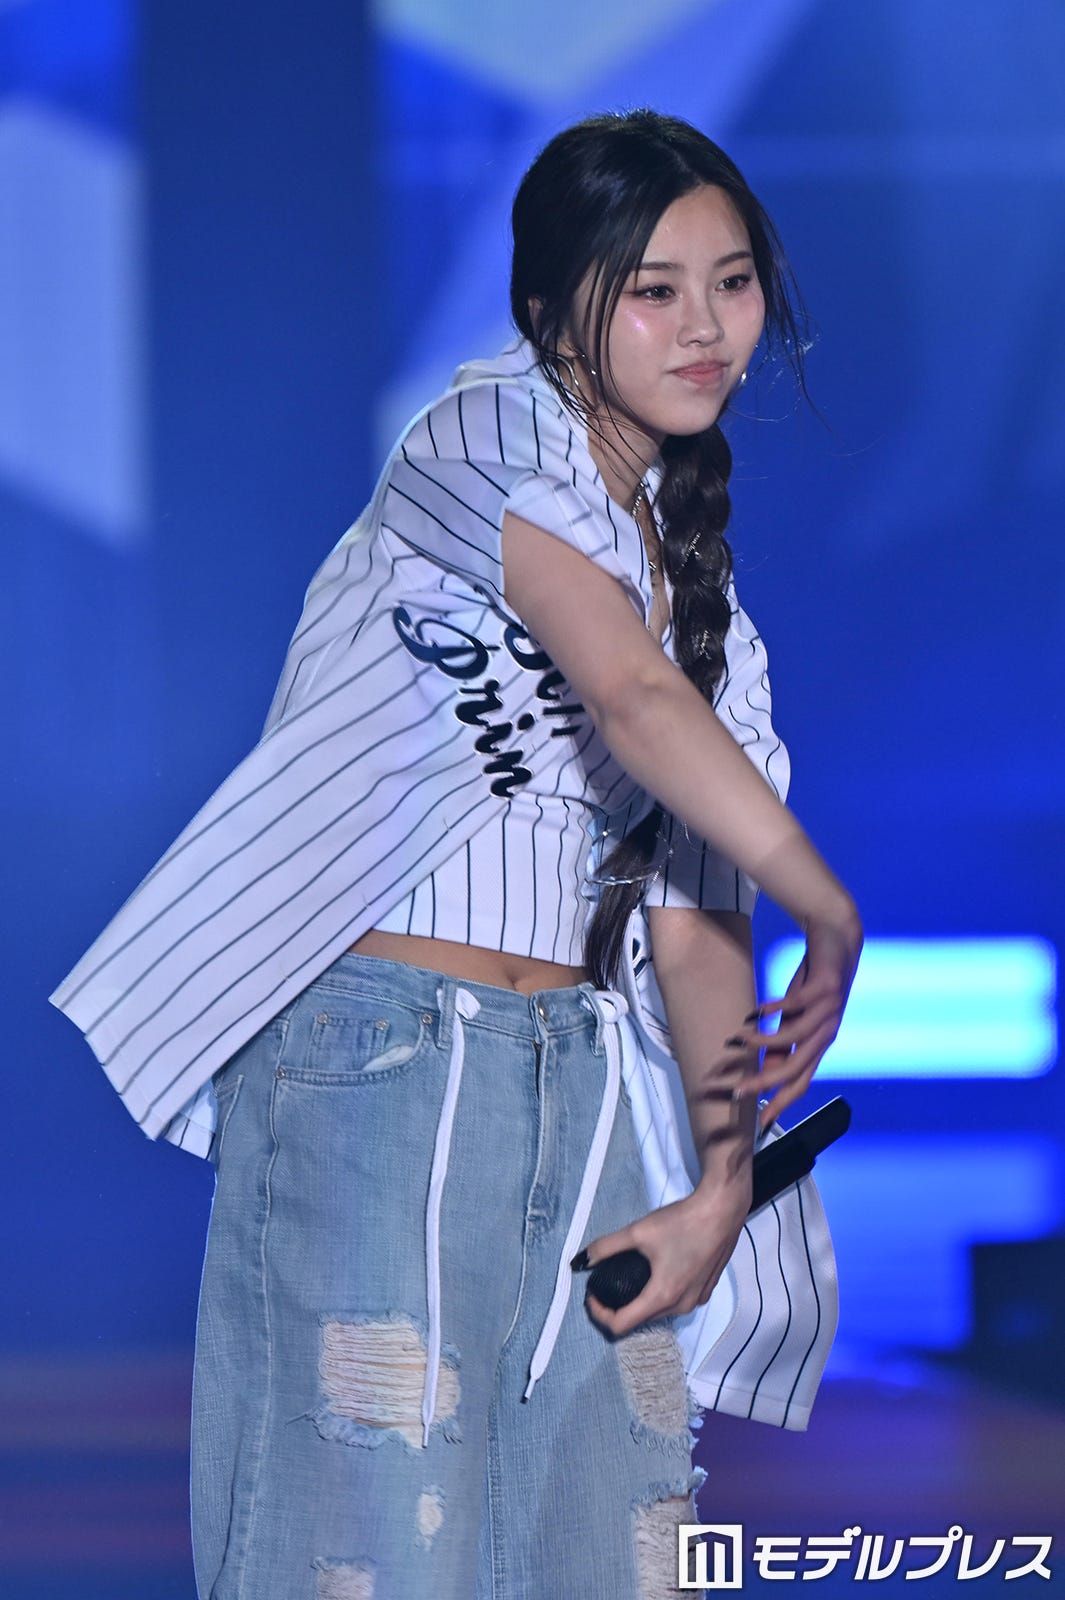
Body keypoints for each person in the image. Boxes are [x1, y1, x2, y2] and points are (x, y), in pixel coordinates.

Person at [52, 110, 862, 1600]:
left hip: (592, 1079)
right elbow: (625, 693)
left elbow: (695, 915)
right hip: (383, 1060)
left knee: (609, 1556)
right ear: (552, 310)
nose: (704, 326)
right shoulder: (479, 438)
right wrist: (830, 901)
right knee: (358, 1552)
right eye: (652, 289)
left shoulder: (712, 613)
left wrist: (718, 1184)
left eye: (732, 282)